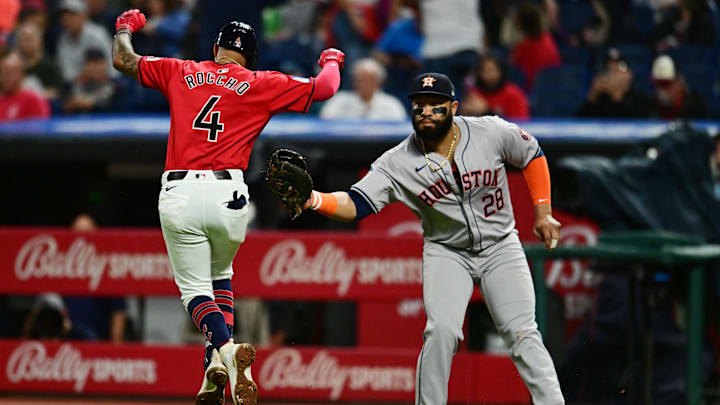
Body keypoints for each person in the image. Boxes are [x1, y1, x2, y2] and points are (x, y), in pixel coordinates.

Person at [111, 9, 344, 405]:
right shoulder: (261, 82)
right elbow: (325, 88)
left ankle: (229, 351)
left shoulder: (180, 70)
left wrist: (124, 28)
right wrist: (332, 59)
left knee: (194, 292)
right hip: (230, 197)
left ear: (216, 48)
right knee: (221, 276)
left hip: (181, 192)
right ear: (250, 58)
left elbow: (123, 59)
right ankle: (212, 370)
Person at [296, 72, 564, 404]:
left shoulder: (488, 131)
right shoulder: (397, 161)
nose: (425, 111)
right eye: (419, 105)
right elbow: (355, 203)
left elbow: (532, 153)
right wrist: (314, 200)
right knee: (441, 333)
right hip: (447, 251)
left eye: (435, 105)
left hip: (500, 247)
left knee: (523, 333)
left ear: (453, 107)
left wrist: (542, 210)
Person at [319, 57, 407, 121]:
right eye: (361, 79)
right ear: (354, 82)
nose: (365, 84)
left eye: (370, 80)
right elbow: (324, 124)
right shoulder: (339, 101)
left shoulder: (391, 104)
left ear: (379, 82)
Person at [576, 48, 652, 118]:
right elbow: (577, 122)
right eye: (609, 67)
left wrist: (619, 98)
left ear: (629, 74)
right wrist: (592, 96)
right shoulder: (600, 100)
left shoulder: (641, 100)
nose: (613, 70)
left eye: (619, 66)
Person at [56, 0, 113, 82]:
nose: (67, 20)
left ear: (83, 16)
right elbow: (66, 73)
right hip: (79, 85)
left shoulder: (98, 34)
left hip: (105, 82)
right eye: (64, 17)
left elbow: (113, 66)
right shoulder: (63, 39)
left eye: (72, 16)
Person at [461, 53, 530, 120]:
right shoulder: (474, 94)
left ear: (501, 71)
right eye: (483, 71)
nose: (486, 75)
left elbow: (520, 125)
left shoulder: (514, 94)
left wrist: (487, 111)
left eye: (491, 70)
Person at [649, 54, 708, 120]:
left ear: (679, 81)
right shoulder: (650, 107)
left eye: (665, 84)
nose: (661, 90)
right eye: (657, 84)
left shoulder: (696, 107)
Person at [63, 48, 117, 113]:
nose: (95, 68)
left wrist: (89, 103)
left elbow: (108, 103)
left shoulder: (116, 85)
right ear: (84, 66)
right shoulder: (72, 85)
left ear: (106, 65)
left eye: (99, 63)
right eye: (91, 63)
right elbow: (65, 105)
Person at [0, 51, 50, 122]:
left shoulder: (33, 99)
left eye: (10, 73)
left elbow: (40, 130)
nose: (5, 78)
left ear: (22, 75)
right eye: (2, 73)